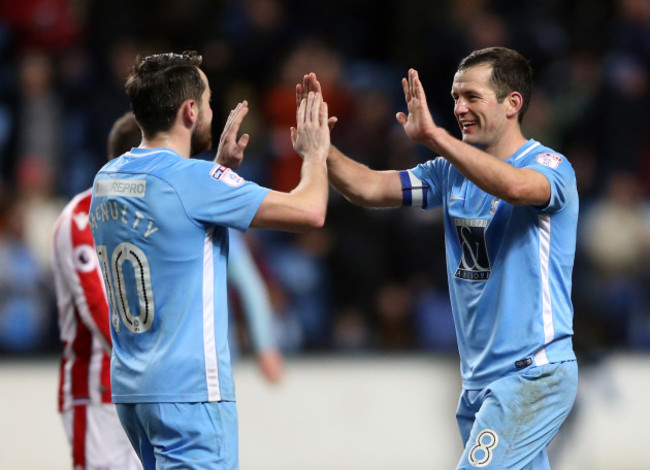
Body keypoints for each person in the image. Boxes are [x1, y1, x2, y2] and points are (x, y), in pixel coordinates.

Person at [300, 47, 579, 469]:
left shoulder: (549, 166)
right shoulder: (449, 173)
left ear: (512, 104)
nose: (459, 108)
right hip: (479, 384)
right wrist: (322, 152)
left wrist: (437, 139)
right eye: (454, 98)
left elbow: (519, 190)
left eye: (471, 97)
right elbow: (369, 188)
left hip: (532, 373)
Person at [89, 51, 329, 469]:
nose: (213, 113)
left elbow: (171, 227)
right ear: (189, 110)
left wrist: (217, 172)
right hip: (190, 393)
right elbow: (310, 211)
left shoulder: (107, 178)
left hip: (134, 390)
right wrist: (314, 152)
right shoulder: (195, 182)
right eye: (210, 102)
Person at [110, 111, 285, 383]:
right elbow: (249, 283)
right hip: (200, 370)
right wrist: (265, 347)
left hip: (138, 370)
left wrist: (265, 346)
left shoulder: (109, 219)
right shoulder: (198, 201)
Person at [51, 112, 142, 470]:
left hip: (152, 391)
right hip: (98, 392)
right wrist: (148, 364)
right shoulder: (80, 217)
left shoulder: (160, 215)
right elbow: (97, 307)